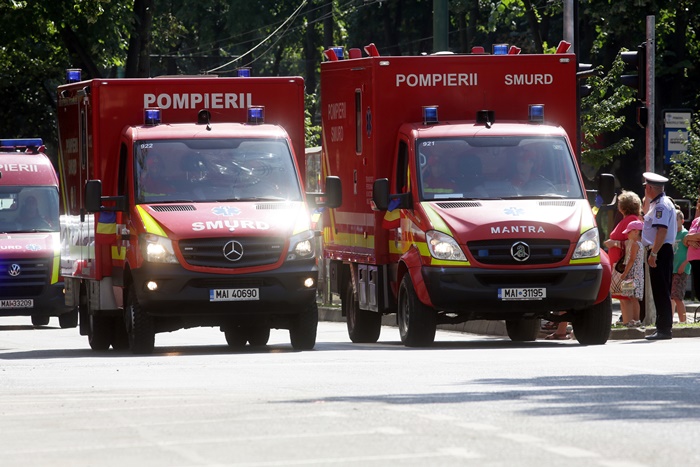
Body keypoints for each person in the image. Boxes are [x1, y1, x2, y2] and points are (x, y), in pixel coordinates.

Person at [641, 172, 677, 340]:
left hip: (660, 251)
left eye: (645, 187)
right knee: (660, 290)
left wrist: (654, 253)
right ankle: (662, 327)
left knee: (661, 291)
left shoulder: (661, 205)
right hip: (661, 250)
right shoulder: (659, 203)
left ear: (649, 188)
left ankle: (664, 329)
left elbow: (661, 231)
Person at [603, 190, 643, 313]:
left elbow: (632, 243)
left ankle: (630, 321)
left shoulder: (631, 220)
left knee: (627, 297)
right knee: (623, 297)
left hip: (623, 266)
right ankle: (627, 321)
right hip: (620, 264)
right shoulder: (628, 219)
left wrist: (614, 243)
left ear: (623, 206)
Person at [619, 220, 645, 327]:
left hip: (634, 274)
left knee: (634, 298)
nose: (627, 234)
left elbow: (632, 260)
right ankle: (634, 319)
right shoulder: (640, 244)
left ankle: (636, 320)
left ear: (636, 232)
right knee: (632, 297)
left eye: (629, 232)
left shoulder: (635, 244)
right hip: (637, 274)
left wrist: (625, 273)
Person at [672, 209, 690, 323]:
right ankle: (669, 321)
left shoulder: (685, 234)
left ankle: (683, 321)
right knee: (671, 297)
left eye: (676, 219)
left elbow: (691, 252)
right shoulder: (672, 234)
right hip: (672, 269)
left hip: (681, 270)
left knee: (678, 297)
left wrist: (683, 265)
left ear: (682, 221)